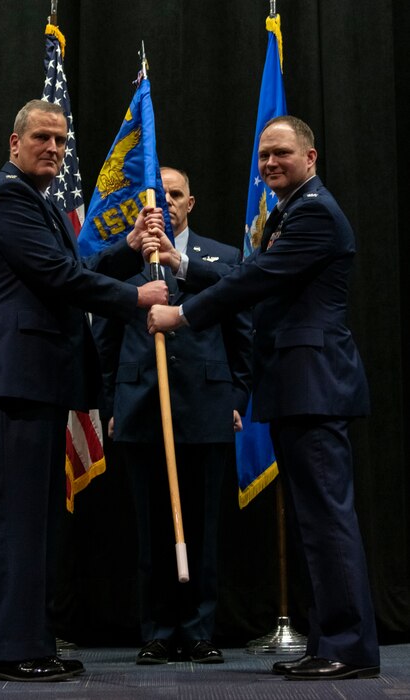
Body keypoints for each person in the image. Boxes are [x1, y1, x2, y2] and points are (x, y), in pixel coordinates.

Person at [146, 118, 380, 681]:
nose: (270, 162)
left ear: (311, 156)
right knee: (314, 523)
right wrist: (182, 265)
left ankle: (348, 646)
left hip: (314, 382)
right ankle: (331, 639)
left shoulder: (315, 212)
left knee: (327, 521)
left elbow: (256, 280)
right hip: (297, 384)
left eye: (282, 153)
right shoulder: (292, 210)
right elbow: (249, 272)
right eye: (264, 154)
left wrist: (181, 312)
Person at [0, 99, 168, 682]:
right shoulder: (6, 197)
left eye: (61, 141)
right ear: (13, 142)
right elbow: (59, 277)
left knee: (36, 521)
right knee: (19, 521)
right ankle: (8, 650)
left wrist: (124, 250)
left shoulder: (35, 201)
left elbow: (75, 264)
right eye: (43, 138)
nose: (53, 148)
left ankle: (30, 641)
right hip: (12, 380)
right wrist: (135, 300)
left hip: (33, 381)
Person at [92, 167, 253, 665]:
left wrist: (237, 398)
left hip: (206, 406)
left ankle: (200, 630)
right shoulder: (126, 262)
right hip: (141, 405)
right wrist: (111, 404)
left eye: (176, 195)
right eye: (157, 196)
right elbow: (106, 341)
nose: (166, 202)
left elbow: (242, 328)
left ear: (191, 202)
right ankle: (158, 631)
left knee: (203, 528)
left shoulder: (221, 257)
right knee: (151, 529)